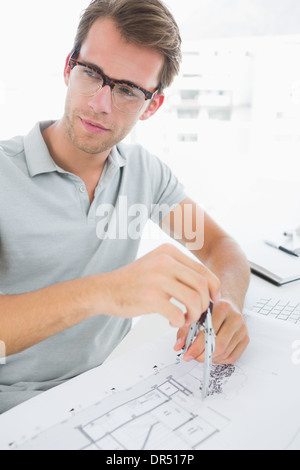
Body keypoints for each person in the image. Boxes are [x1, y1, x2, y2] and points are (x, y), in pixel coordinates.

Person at [0, 0, 250, 414]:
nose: (101, 103)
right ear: (68, 68)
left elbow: (219, 247)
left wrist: (227, 307)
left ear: (151, 105)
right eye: (91, 73)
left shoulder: (143, 174)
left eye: (129, 90)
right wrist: (105, 292)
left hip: (114, 392)